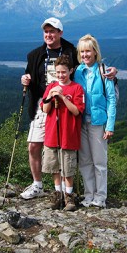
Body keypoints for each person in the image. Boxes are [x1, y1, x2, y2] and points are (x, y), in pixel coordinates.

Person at [20, 17, 118, 200]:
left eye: (53, 31)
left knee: (71, 153)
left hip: (73, 111)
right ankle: (42, 186)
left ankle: (84, 195)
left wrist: (113, 72)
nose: (49, 35)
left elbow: (97, 77)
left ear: (60, 33)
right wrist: (25, 79)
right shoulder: (35, 56)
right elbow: (29, 75)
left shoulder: (71, 52)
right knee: (37, 146)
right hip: (46, 105)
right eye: (46, 31)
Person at [74, 34, 116, 208]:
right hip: (81, 122)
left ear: (95, 52)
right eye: (82, 52)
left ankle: (100, 197)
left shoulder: (103, 71)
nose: (85, 55)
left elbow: (111, 99)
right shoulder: (77, 72)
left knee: (99, 161)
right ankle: (88, 195)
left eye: (88, 51)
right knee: (84, 161)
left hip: (99, 123)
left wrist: (110, 126)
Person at [40, 55, 85, 211]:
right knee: (54, 166)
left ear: (71, 71)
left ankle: (69, 196)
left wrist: (62, 98)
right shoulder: (51, 87)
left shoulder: (76, 88)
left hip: (68, 134)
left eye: (64, 72)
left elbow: (77, 111)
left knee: (68, 167)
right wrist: (51, 96)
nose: (60, 75)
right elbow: (45, 109)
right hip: (53, 133)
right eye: (58, 72)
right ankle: (57, 194)